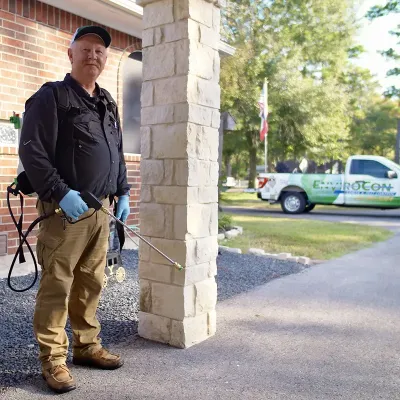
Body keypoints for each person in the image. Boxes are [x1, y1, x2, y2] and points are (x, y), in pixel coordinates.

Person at [18, 26, 131, 394]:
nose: (93, 55)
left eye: (100, 51)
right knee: (57, 285)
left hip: (102, 212)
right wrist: (59, 191)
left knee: (90, 282)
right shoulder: (52, 97)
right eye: (86, 49)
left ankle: (85, 345)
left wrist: (123, 191)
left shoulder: (107, 102)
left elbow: (116, 150)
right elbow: (32, 151)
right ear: (71, 54)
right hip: (64, 213)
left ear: (105, 59)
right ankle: (53, 360)